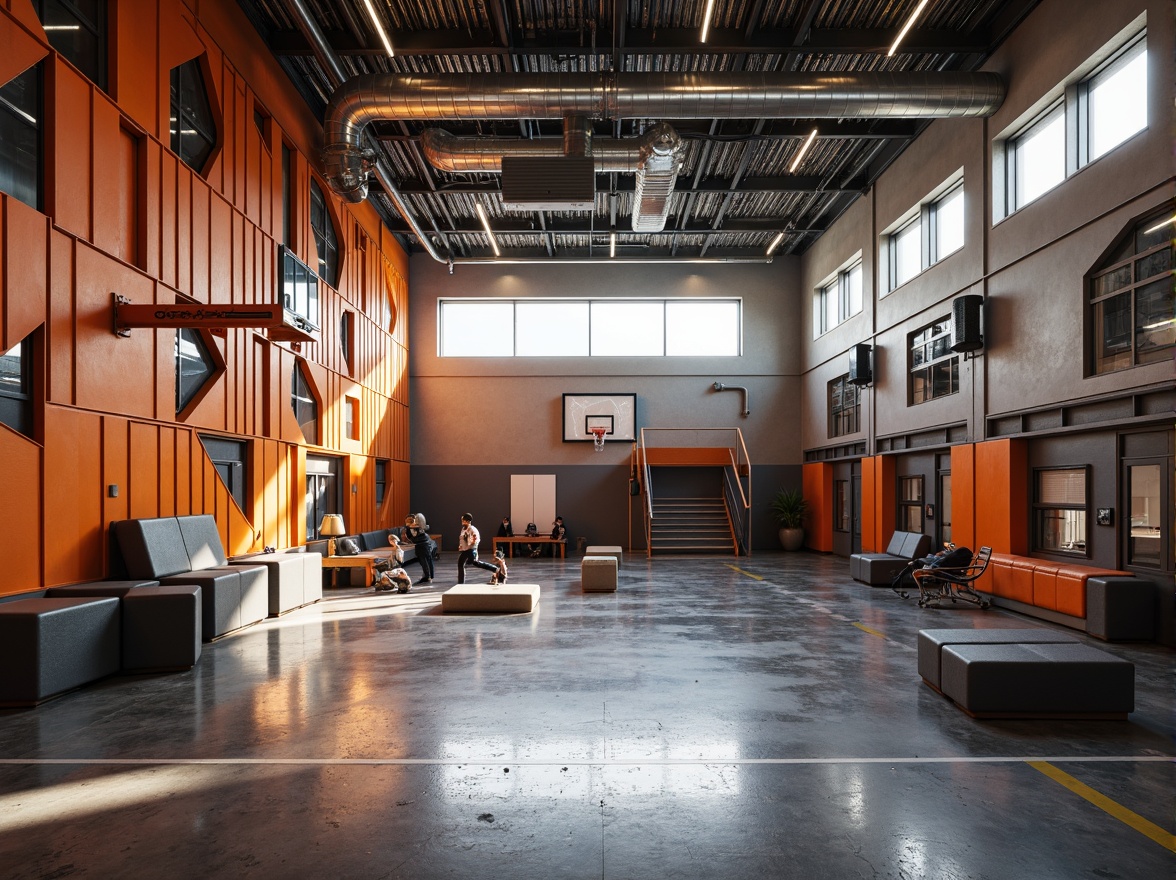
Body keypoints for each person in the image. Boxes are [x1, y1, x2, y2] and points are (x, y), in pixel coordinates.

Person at [456, 513, 499, 584]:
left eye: (463, 520)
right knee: (460, 564)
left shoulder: (472, 529)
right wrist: (461, 546)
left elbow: (476, 539)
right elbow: (462, 539)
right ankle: (460, 583)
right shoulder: (463, 529)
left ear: (467, 521)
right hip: (465, 550)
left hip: (471, 550)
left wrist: (473, 543)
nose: (462, 521)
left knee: (476, 563)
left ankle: (495, 569)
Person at [401, 513, 435, 585]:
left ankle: (427, 577)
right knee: (427, 561)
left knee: (424, 561)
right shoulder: (418, 527)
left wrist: (409, 528)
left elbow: (411, 537)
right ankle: (429, 576)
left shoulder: (413, 528)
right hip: (425, 544)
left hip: (422, 545)